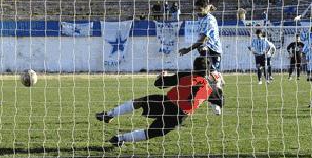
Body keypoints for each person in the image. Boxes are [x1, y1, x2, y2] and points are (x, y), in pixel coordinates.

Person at [95, 57, 224, 146]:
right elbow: (221, 102)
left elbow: (159, 84)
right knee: (151, 133)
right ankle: (120, 138)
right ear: (208, 71)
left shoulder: (186, 75)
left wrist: (163, 76)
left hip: (166, 103)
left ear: (194, 67)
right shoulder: (210, 88)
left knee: (140, 101)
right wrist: (217, 84)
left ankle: (109, 114)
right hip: (179, 115)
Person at [178, 0, 222, 71]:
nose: (197, 11)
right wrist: (210, 6)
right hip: (206, 48)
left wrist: (187, 50)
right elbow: (208, 7)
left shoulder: (208, 21)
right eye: (195, 9)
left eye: (199, 9)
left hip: (213, 50)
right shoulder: (202, 15)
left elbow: (201, 41)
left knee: (212, 74)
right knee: (204, 72)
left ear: (205, 8)